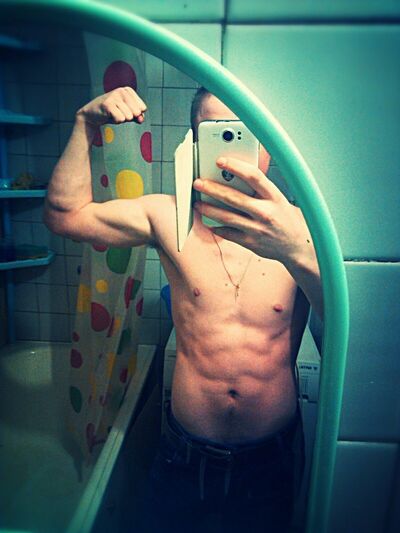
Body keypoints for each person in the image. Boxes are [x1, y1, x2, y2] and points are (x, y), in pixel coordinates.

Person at [44, 85, 323, 533]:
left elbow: (350, 334)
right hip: (183, 454)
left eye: (246, 131)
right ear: (195, 143)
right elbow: (65, 215)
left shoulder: (308, 228)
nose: (232, 146)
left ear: (269, 145)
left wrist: (298, 251)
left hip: (271, 459)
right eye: (216, 131)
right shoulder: (166, 217)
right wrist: (84, 124)